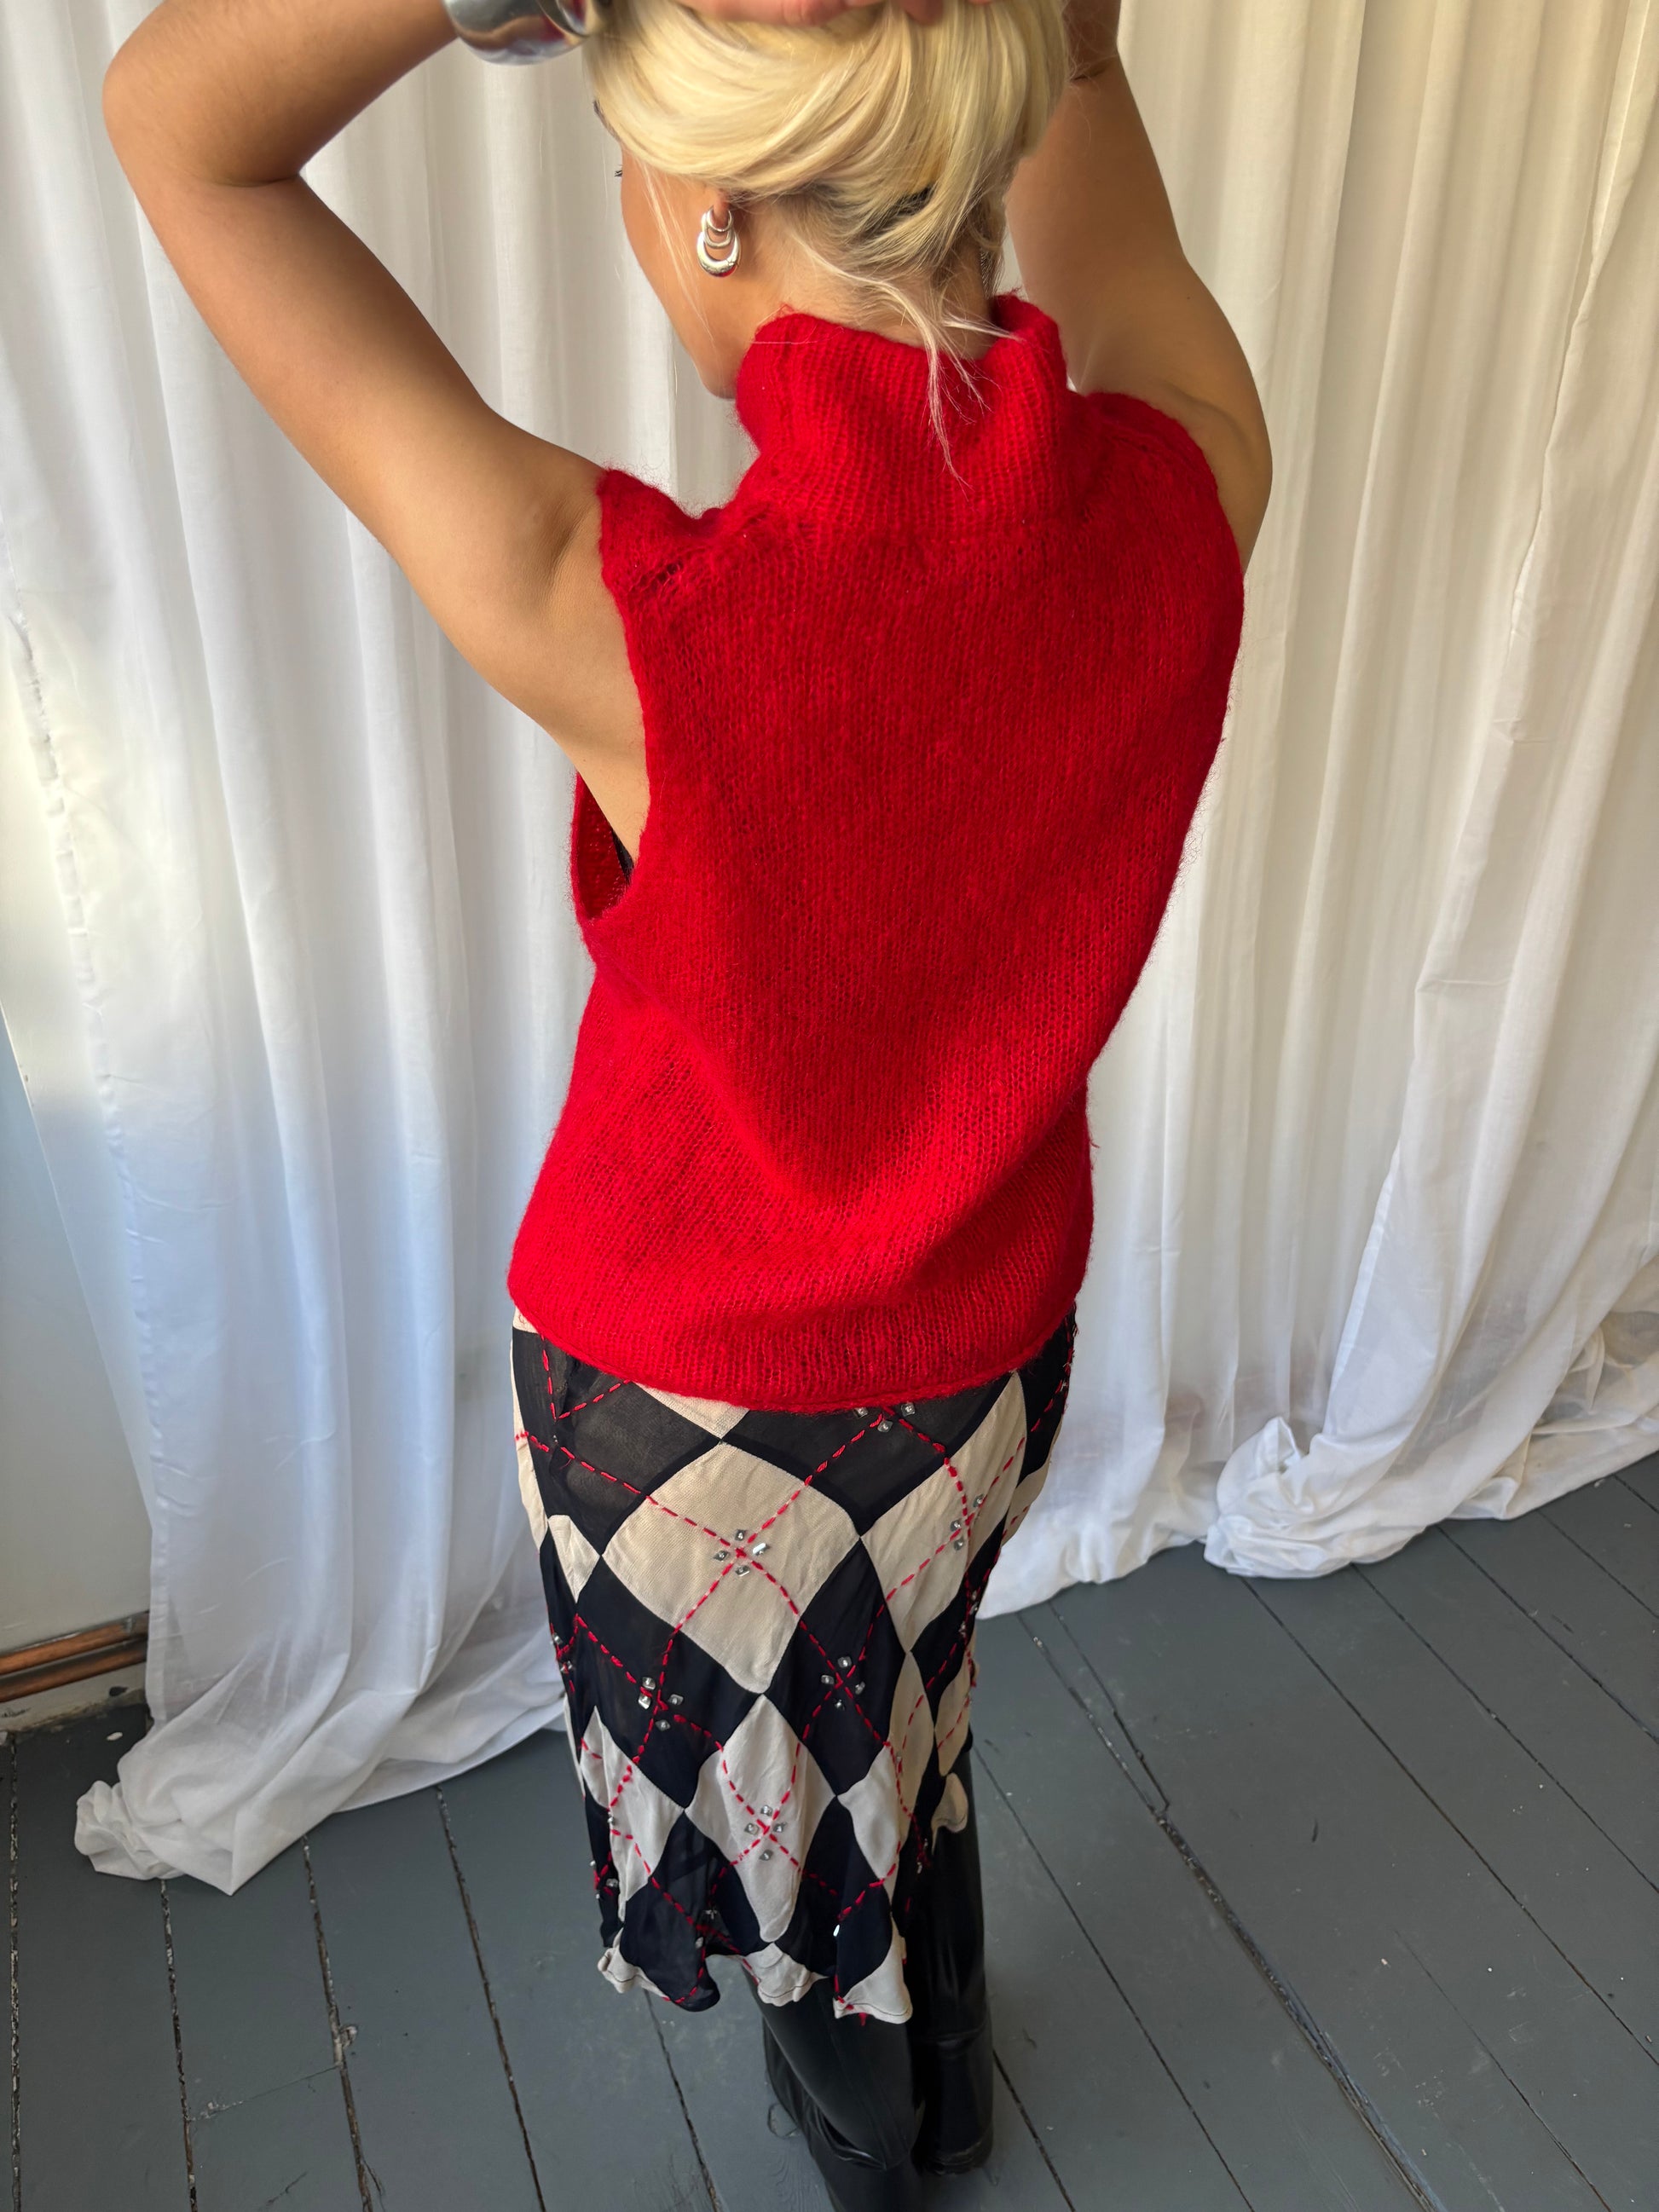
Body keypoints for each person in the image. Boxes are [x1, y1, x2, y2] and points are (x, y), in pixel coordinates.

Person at [102, 0, 1268, 2202]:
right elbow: (1097, 138)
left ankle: (883, 2135)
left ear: (710, 215)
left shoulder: (646, 625)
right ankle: (938, 2069)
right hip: (982, 1368)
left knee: (798, 1834)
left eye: (625, 168)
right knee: (905, 1718)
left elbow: (177, 127)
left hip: (696, 1414)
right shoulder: (1188, 491)